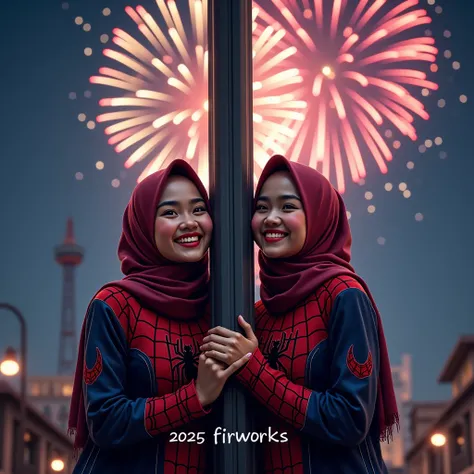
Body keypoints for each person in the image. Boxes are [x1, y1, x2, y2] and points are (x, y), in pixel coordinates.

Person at [200, 155, 398, 473]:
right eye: (261, 208)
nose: (271, 219)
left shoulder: (343, 295)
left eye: (288, 207)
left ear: (317, 216)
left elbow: (350, 419)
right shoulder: (257, 315)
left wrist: (254, 368)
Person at [68, 159, 251, 474]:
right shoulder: (114, 305)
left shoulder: (223, 307)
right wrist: (195, 395)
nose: (189, 222)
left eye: (198, 210)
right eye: (170, 212)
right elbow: (105, 421)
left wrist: (253, 365)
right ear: (143, 226)